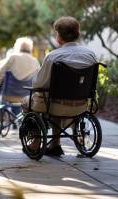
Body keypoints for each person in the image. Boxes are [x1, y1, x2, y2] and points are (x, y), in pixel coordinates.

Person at [22, 16, 98, 156]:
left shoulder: (53, 57)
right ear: (77, 33)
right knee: (54, 97)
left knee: (28, 101)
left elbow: (40, 84)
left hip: (56, 106)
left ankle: (36, 141)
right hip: (81, 105)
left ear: (58, 36)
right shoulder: (90, 55)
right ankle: (55, 144)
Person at [0, 37, 40, 103]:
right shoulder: (35, 61)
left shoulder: (12, 57)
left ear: (17, 47)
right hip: (28, 96)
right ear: (30, 48)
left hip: (9, 95)